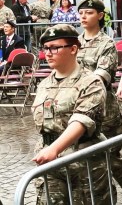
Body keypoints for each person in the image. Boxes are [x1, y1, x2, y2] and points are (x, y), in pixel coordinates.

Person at [31, 24, 115, 204]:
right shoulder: (44, 85)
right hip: (50, 163)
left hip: (83, 161)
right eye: (46, 48)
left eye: (55, 47)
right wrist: (48, 149)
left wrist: (54, 149)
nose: (49, 53)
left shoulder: (90, 82)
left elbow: (82, 120)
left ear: (73, 49)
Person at [76, 0, 122, 204]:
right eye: (82, 13)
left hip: (106, 112)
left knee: (112, 158)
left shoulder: (106, 44)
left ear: (100, 15)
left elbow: (102, 75)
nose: (84, 16)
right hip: (81, 109)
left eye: (89, 12)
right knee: (92, 161)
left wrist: (77, 85)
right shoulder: (75, 43)